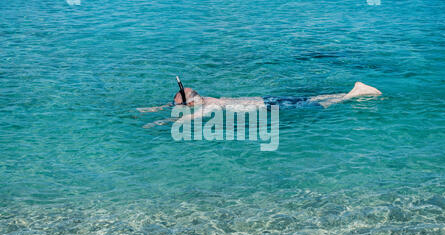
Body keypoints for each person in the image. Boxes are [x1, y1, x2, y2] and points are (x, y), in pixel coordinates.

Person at [137, 77, 382, 128]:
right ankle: (350, 91)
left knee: (317, 105)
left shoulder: (210, 107)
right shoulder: (208, 99)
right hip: (265, 100)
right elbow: (182, 105)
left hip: (268, 106)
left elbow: (190, 117)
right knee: (309, 99)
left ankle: (353, 94)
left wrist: (161, 121)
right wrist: (155, 109)